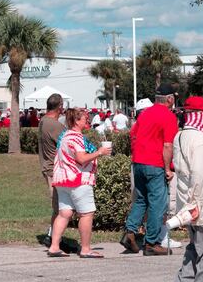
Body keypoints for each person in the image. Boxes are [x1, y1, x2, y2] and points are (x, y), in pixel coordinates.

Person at [120, 83, 179, 256]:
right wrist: (168, 168)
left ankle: (130, 232)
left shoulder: (145, 114)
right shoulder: (168, 116)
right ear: (169, 99)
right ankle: (151, 243)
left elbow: (133, 134)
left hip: (138, 162)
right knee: (157, 204)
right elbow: (168, 145)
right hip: (155, 164)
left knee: (141, 199)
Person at [47, 108, 112, 258]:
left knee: (64, 213)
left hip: (63, 181)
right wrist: (99, 152)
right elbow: (81, 159)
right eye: (84, 119)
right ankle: (85, 249)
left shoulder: (64, 136)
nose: (87, 121)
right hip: (78, 180)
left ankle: (54, 246)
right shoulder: (76, 138)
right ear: (76, 121)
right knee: (86, 213)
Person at [171, 96, 203, 282]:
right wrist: (195, 204)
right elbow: (198, 173)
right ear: (201, 114)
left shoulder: (179, 136)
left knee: (195, 248)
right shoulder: (202, 139)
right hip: (201, 203)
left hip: (185, 201)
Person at [38, 93, 65, 248]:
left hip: (48, 167)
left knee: (59, 207)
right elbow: (71, 141)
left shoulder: (43, 121)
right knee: (60, 208)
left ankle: (52, 235)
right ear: (59, 106)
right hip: (53, 170)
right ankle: (54, 239)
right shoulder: (54, 125)